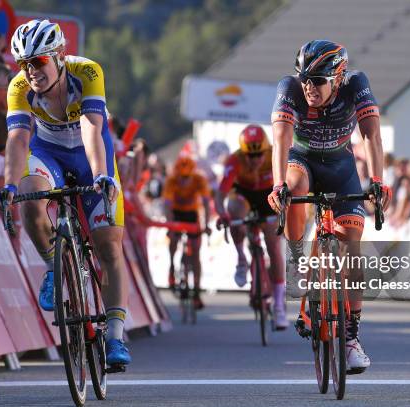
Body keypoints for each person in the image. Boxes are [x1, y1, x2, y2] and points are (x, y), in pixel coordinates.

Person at [0, 20, 131, 366]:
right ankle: (54, 264)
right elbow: (18, 139)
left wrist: (101, 175)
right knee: (30, 197)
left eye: (38, 62)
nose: (30, 71)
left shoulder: (86, 72)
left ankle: (115, 336)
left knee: (109, 245)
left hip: (90, 152)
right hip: (47, 152)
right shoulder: (19, 87)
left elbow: (91, 127)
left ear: (59, 55)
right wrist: (8, 184)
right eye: (23, 63)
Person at [267, 40, 391, 373]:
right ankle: (296, 259)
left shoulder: (356, 85)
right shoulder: (290, 89)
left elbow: (372, 136)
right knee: (294, 188)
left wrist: (378, 182)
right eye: (305, 79)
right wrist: (278, 185)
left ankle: (350, 339)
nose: (309, 87)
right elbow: (280, 138)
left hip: (341, 168)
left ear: (337, 78)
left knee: (351, 246)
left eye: (318, 80)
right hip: (302, 161)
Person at [214, 124, 288, 329]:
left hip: (268, 196)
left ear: (266, 150)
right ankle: (241, 258)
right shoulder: (234, 160)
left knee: (273, 247)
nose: (254, 160)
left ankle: (280, 305)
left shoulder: (275, 155)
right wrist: (222, 214)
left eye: (258, 155)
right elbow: (220, 194)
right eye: (249, 155)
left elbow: (289, 185)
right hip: (243, 195)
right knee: (234, 210)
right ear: (242, 153)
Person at [163, 155, 211, 310]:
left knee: (196, 253)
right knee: (173, 241)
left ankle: (196, 291)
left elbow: (206, 203)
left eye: (186, 177)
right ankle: (171, 265)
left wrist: (207, 224)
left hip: (192, 215)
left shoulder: (199, 179)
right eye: (181, 177)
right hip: (176, 214)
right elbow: (167, 206)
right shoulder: (171, 180)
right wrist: (170, 227)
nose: (183, 181)